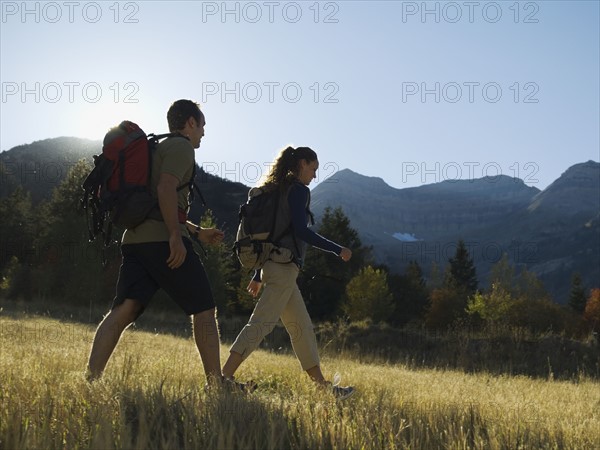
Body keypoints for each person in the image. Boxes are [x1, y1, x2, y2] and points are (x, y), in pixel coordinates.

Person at [86, 99, 235, 388]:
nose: (203, 132)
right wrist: (176, 237)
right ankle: (217, 385)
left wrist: (193, 229)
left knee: (124, 308)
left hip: (135, 240)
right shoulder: (181, 147)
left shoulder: (157, 148)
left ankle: (91, 379)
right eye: (202, 125)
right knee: (204, 309)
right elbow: (166, 189)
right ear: (190, 123)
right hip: (162, 240)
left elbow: (158, 201)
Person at [223, 146, 355, 399]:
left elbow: (274, 237)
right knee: (261, 323)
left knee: (301, 328)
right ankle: (221, 378)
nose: (314, 176)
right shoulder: (298, 190)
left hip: (280, 269)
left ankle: (324, 388)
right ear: (302, 164)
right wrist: (337, 249)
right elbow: (300, 231)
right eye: (313, 169)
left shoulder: (280, 189)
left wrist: (259, 275)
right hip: (283, 269)